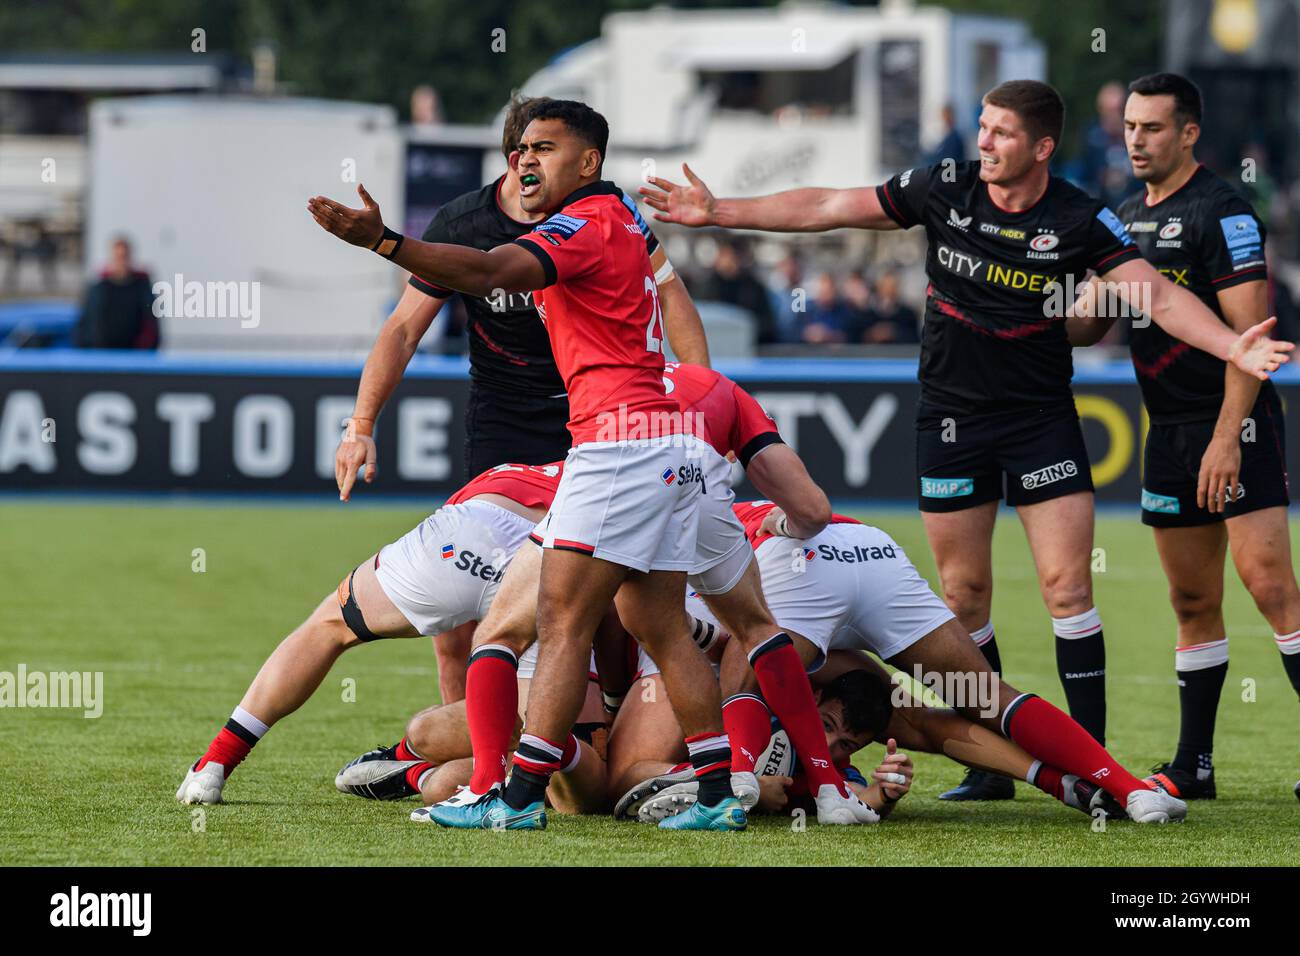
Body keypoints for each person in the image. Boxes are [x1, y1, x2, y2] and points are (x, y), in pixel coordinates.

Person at [639, 78, 1293, 804]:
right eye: (981, 127)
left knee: (1068, 587)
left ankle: (1096, 763)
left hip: (1040, 419)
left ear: (1041, 147)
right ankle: (991, 770)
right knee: (965, 594)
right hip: (950, 419)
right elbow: (830, 205)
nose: (982, 142)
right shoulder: (945, 186)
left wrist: (1233, 347)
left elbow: (1160, 296)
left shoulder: (1079, 216)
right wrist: (720, 210)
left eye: (1001, 133)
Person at [309, 99, 744, 832]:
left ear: (589, 161)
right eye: (520, 149)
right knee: (661, 628)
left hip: (612, 448)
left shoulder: (587, 222)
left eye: (545, 146)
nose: (526, 159)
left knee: (556, 622)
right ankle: (717, 793)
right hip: (653, 443)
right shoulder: (625, 222)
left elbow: (486, 270)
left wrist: (385, 241)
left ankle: (512, 797)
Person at [620, 499, 1189, 824]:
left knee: (749, 653)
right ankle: (1127, 787)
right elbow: (929, 730)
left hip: (801, 564)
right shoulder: (696, 514)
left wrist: (755, 781)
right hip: (870, 552)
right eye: (844, 742)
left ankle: (737, 778)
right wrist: (1061, 784)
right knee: (986, 696)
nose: (844, 742)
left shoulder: (681, 538)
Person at [1070, 72, 1300, 799]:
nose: (1136, 139)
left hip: (1237, 425)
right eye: (1130, 127)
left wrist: (1228, 436)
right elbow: (1086, 328)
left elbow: (1250, 339)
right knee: (1192, 602)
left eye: (1153, 128)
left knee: (1270, 588)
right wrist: (1059, 283)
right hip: (1167, 432)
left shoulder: (1224, 211)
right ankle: (1192, 765)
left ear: (1188, 133)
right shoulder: (1121, 215)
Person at [333, 93, 708, 492]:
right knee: (494, 546)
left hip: (594, 413)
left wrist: (704, 399)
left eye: (546, 150)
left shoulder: (599, 214)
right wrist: (361, 425)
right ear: (516, 160)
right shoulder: (463, 225)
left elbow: (668, 290)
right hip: (503, 415)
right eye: (529, 152)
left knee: (582, 549)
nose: (533, 162)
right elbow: (404, 329)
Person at [175, 462, 562, 805]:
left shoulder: (533, 466)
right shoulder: (603, 479)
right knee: (541, 741)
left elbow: (450, 642)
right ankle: (435, 772)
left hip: (468, 532)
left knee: (329, 626)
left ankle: (215, 762)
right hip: (545, 556)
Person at [74, 237, 159, 350]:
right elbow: (86, 323)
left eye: (124, 257)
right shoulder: (99, 289)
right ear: (112, 258)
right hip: (103, 354)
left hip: (134, 356)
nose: (121, 262)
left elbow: (151, 324)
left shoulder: (142, 288)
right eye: (118, 257)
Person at [696, 240, 778, 344]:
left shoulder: (753, 287)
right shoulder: (706, 285)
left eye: (734, 256)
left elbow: (766, 322)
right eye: (726, 256)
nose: (731, 261)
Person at [861, 270, 920, 344]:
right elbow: (857, 340)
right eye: (885, 286)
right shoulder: (867, 314)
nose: (889, 290)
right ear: (879, 287)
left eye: (892, 287)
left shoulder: (908, 314)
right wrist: (873, 334)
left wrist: (894, 332)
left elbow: (914, 340)